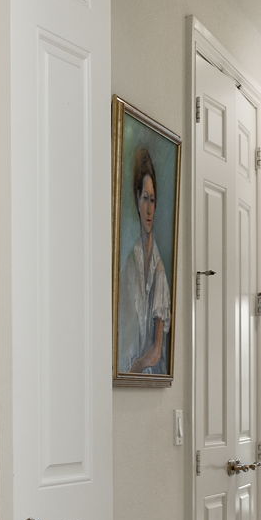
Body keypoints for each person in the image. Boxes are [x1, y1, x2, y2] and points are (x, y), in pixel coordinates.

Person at [118, 145, 172, 376]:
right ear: (136, 202)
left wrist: (132, 369)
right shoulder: (131, 262)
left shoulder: (159, 271)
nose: (149, 208)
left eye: (153, 200)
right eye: (144, 199)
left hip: (144, 375)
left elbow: (156, 351)